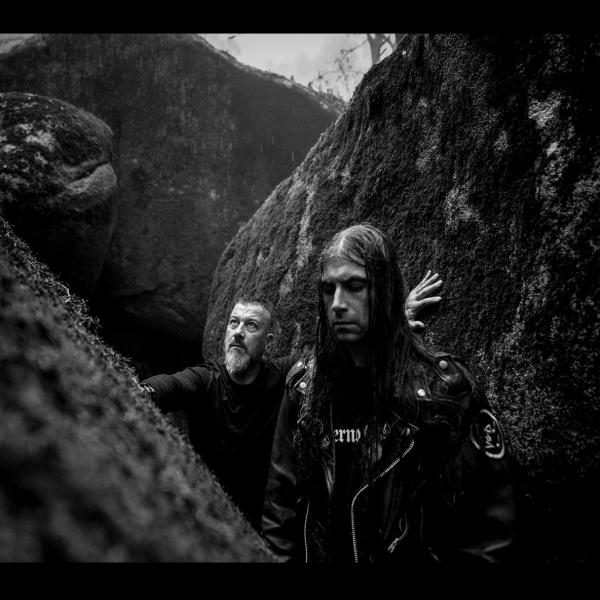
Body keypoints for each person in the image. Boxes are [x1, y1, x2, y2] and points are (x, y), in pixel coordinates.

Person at [261, 224, 517, 563]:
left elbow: (488, 533)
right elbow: (280, 507)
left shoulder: (445, 392)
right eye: (328, 289)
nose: (337, 304)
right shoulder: (304, 388)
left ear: (384, 290)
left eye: (355, 286)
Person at [140, 275, 442, 530]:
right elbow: (174, 385)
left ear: (269, 341)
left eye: (251, 326)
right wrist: (144, 391)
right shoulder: (207, 379)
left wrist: (395, 323)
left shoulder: (284, 375)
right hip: (203, 507)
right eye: (233, 323)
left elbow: (337, 358)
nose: (238, 333)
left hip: (268, 521)